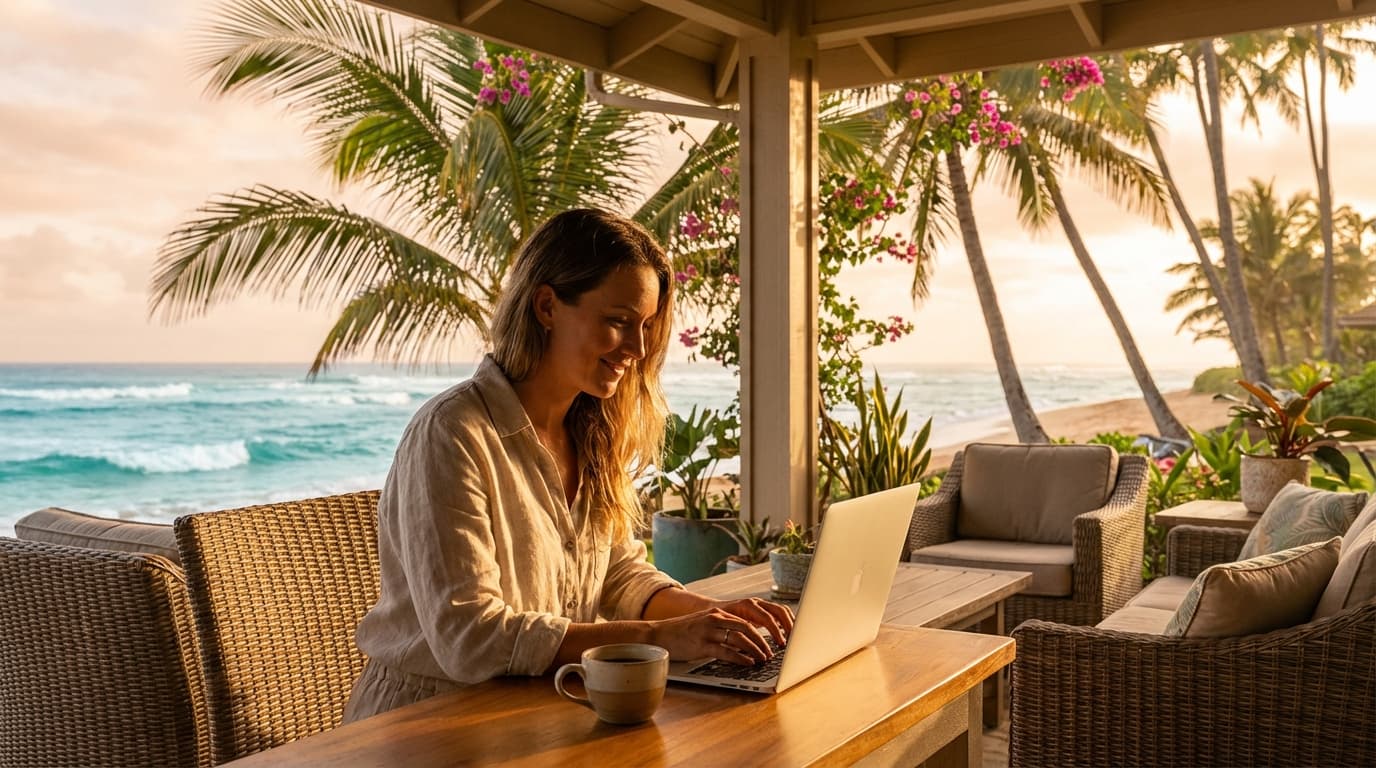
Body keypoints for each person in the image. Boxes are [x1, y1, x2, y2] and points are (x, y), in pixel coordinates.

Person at [343, 208, 794, 721]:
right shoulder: (451, 433)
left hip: (539, 709)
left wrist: (714, 619)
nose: (638, 348)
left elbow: (618, 574)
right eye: (618, 322)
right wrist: (661, 637)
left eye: (646, 326)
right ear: (547, 307)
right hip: (427, 724)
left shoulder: (591, 433)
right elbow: (470, 638)